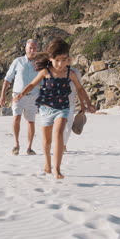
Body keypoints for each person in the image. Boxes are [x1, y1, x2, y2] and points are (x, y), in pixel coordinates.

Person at [14, 38, 96, 179]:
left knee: (58, 134)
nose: (60, 64)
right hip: (46, 109)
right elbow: (33, 84)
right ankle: (47, 163)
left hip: (62, 108)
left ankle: (57, 169)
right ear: (51, 58)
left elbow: (80, 89)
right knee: (46, 142)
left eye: (64, 60)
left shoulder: (70, 73)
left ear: (68, 59)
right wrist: (22, 93)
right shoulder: (45, 72)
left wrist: (88, 103)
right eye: (57, 60)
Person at [0, 39, 39, 156]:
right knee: (16, 118)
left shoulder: (39, 63)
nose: (32, 50)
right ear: (25, 49)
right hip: (17, 96)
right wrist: (2, 95)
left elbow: (45, 79)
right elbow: (8, 79)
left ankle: (29, 147)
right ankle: (16, 145)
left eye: (34, 48)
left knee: (31, 122)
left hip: (33, 96)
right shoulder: (18, 61)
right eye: (30, 48)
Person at [63, 68, 85, 152]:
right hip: (55, 104)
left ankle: (64, 145)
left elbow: (79, 89)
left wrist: (82, 103)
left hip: (70, 103)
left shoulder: (75, 72)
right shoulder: (52, 70)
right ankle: (59, 145)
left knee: (68, 126)